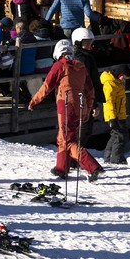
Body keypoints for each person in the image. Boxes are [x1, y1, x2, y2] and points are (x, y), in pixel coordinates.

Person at [28, 40, 103, 182]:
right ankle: (61, 168)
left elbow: (47, 86)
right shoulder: (81, 67)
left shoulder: (60, 65)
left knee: (68, 140)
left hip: (66, 105)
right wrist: (88, 107)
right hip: (79, 106)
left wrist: (34, 101)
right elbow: (90, 90)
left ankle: (93, 167)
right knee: (63, 137)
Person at [72, 27, 104, 146]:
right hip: (83, 100)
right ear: (79, 43)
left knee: (86, 132)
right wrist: (94, 103)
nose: (90, 45)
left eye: (90, 42)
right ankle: (74, 160)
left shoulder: (87, 56)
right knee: (83, 132)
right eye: (87, 43)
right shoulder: (81, 58)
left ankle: (76, 160)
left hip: (86, 99)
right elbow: (86, 82)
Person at [101, 69, 130, 164]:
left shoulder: (118, 83)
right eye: (124, 78)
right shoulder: (110, 83)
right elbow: (108, 102)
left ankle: (108, 157)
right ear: (120, 74)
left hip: (119, 114)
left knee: (116, 135)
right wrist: (112, 118)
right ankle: (116, 158)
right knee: (120, 136)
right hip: (114, 115)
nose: (124, 80)